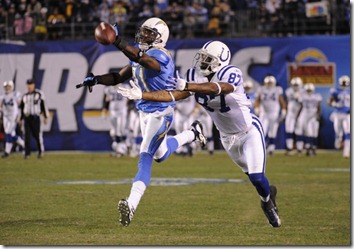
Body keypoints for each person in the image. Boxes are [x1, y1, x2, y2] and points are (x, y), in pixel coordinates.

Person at [118, 40, 281, 228]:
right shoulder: (194, 76)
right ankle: (266, 193)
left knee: (257, 177)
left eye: (208, 59)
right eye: (203, 57)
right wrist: (142, 95)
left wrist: (188, 85)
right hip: (227, 137)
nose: (203, 62)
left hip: (249, 131)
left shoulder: (231, 72)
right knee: (253, 178)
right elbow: (171, 95)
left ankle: (267, 201)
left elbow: (219, 88)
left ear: (220, 61)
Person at [76, 17, 207, 226]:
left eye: (149, 33)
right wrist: (98, 79)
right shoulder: (140, 53)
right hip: (144, 111)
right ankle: (193, 132)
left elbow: (147, 62)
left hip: (160, 112)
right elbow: (119, 77)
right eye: (144, 32)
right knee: (160, 155)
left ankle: (131, 204)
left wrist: (118, 41)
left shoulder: (161, 55)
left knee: (145, 156)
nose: (144, 36)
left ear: (160, 38)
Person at [254, 75, 287, 156]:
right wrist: (257, 108)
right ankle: (262, 147)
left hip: (274, 113)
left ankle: (271, 148)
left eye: (271, 83)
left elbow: (281, 101)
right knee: (262, 131)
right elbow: (257, 100)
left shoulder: (277, 90)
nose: (269, 84)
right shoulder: (261, 89)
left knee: (273, 131)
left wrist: (284, 110)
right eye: (268, 83)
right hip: (264, 113)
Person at [19, 79, 49, 159]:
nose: (29, 86)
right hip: (27, 117)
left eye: (31, 84)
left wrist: (45, 117)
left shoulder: (39, 94)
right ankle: (27, 153)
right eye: (28, 84)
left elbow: (43, 106)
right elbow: (22, 108)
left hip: (35, 117)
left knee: (37, 135)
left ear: (34, 85)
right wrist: (21, 118)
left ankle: (40, 151)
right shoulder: (24, 96)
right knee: (26, 136)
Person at [294, 83, 322, 156]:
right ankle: (308, 147)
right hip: (305, 115)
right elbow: (301, 106)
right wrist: (298, 115)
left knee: (315, 133)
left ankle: (314, 148)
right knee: (308, 132)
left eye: (310, 90)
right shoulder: (303, 96)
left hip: (314, 115)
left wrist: (318, 115)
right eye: (308, 90)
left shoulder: (317, 96)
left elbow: (318, 106)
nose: (309, 91)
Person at [102, 85, 129, 157]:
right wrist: (105, 109)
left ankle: (122, 149)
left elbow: (130, 99)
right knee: (113, 131)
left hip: (122, 111)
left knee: (121, 131)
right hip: (113, 112)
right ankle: (118, 149)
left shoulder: (125, 87)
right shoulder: (109, 88)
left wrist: (129, 109)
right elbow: (107, 100)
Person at [0, 80, 25, 158]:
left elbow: (21, 106)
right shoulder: (2, 96)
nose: (7, 88)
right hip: (6, 117)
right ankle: (25, 145)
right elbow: (0, 107)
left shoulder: (15, 95)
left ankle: (7, 152)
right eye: (6, 87)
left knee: (8, 133)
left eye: (9, 86)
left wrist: (20, 117)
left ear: (12, 87)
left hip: (13, 117)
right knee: (12, 134)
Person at [328, 75, 350, 158]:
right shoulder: (335, 91)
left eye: (345, 83)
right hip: (338, 114)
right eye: (343, 83)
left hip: (348, 114)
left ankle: (346, 152)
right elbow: (329, 102)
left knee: (348, 132)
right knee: (338, 132)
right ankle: (339, 142)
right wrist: (334, 104)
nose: (344, 85)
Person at [284, 77, 304, 155]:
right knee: (289, 130)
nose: (295, 86)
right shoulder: (289, 91)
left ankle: (300, 148)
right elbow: (287, 101)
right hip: (290, 113)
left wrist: (299, 98)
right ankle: (289, 148)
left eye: (297, 84)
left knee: (299, 131)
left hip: (300, 113)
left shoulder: (303, 91)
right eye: (294, 84)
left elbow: (303, 104)